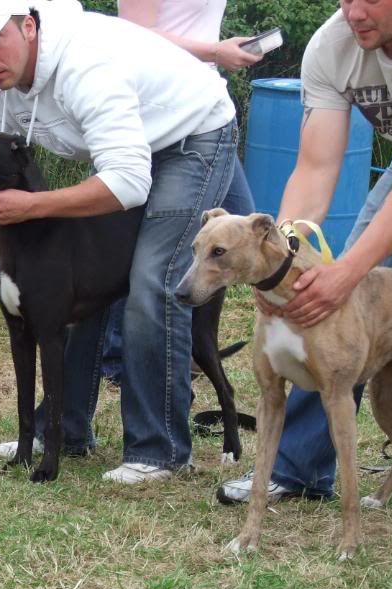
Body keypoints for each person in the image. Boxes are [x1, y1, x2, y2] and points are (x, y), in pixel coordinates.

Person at [0, 0, 237, 483]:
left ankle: (158, 450)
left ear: (29, 26)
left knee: (151, 280)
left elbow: (126, 182)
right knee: (72, 286)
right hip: (126, 148)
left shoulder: (85, 64)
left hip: (192, 139)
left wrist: (32, 205)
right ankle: (66, 429)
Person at [217, 0, 392, 504]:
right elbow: (317, 167)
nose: (353, 12)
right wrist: (283, 259)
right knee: (335, 312)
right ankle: (298, 468)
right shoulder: (332, 44)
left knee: (347, 280)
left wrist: (348, 270)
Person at [101, 0, 260, 385]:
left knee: (247, 233)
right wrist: (215, 51)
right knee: (155, 255)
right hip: (161, 112)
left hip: (207, 109)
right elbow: (133, 35)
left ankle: (194, 350)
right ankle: (121, 357)